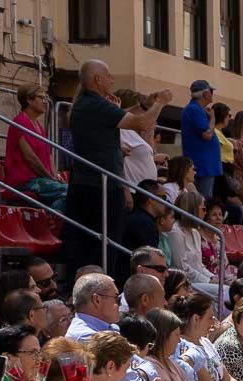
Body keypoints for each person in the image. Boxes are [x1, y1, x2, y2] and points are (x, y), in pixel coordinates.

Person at [61, 61, 171, 280]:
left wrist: (144, 103)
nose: (111, 81)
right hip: (98, 186)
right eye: (108, 76)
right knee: (104, 244)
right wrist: (160, 103)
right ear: (98, 80)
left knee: (98, 243)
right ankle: (99, 286)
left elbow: (118, 118)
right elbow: (142, 123)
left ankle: (97, 285)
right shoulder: (95, 104)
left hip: (94, 183)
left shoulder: (89, 105)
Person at [4, 84, 66, 211]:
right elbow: (30, 158)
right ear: (29, 100)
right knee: (70, 192)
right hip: (24, 180)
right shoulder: (19, 122)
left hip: (42, 179)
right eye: (41, 98)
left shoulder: (39, 125)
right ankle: (51, 220)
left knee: (71, 193)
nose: (45, 102)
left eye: (46, 98)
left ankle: (51, 220)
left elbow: (49, 155)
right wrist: (50, 177)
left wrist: (55, 176)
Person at [181, 81, 221, 199]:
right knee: (203, 200)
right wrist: (213, 119)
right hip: (202, 165)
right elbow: (207, 135)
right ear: (205, 94)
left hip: (205, 164)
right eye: (211, 91)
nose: (212, 94)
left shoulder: (196, 109)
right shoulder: (194, 109)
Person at [122, 179, 168, 251]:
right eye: (164, 198)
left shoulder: (143, 219)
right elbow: (151, 257)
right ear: (151, 199)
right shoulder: (144, 223)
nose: (166, 203)